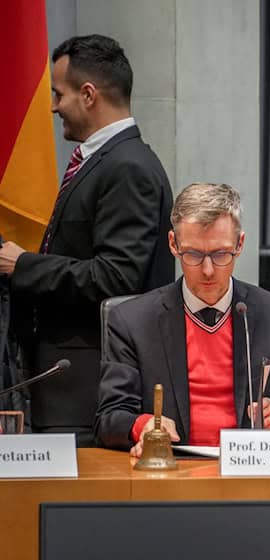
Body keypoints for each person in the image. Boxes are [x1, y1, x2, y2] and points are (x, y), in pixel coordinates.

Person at [0, 35, 173, 444]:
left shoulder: (128, 167)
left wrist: (22, 265)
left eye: (59, 94)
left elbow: (117, 277)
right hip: (64, 386)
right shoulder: (105, 161)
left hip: (86, 391)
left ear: (89, 94)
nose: (54, 106)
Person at [95, 183, 270, 456]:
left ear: (240, 244)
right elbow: (110, 418)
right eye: (194, 254)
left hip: (250, 472)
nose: (208, 270)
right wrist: (145, 426)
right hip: (172, 469)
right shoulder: (132, 320)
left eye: (221, 254)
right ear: (173, 244)